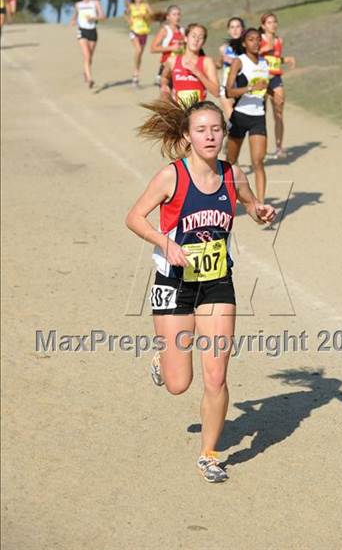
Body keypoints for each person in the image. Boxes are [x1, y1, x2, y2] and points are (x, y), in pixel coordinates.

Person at [125, 97, 276, 482]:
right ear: (188, 137)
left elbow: (250, 205)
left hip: (216, 284)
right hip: (173, 282)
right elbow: (134, 217)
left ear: (224, 134)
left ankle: (209, 454)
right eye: (201, 130)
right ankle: (163, 357)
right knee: (179, 384)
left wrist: (259, 211)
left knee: (216, 376)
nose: (209, 136)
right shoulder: (171, 177)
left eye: (215, 129)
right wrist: (165, 243)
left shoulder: (232, 175)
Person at [226, 28, 270, 203]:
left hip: (258, 116)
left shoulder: (264, 63)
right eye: (251, 40)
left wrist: (274, 94)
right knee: (230, 161)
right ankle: (227, 200)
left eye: (258, 39)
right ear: (244, 43)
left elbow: (265, 89)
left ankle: (260, 204)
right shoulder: (239, 61)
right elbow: (229, 91)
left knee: (258, 161)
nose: (256, 42)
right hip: (239, 115)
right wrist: (251, 88)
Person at [259, 12, 296, 159]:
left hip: (275, 79)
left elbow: (274, 59)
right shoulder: (258, 39)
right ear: (263, 25)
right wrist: (263, 49)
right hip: (260, 80)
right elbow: (254, 55)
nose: (272, 25)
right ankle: (260, 149)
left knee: (279, 114)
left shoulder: (279, 40)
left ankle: (279, 148)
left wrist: (285, 59)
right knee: (260, 116)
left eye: (274, 22)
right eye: (269, 22)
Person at [160, 23, 219, 106]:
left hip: (197, 111)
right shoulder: (172, 61)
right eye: (193, 36)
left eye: (200, 37)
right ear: (186, 38)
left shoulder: (207, 62)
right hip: (177, 111)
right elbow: (164, 77)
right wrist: (164, 87)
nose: (196, 40)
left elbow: (216, 92)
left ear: (203, 42)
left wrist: (198, 73)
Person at [70, 0, 105, 89]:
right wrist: (73, 20)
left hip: (93, 31)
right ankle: (90, 79)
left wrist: (94, 18)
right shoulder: (78, 4)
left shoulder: (95, 3)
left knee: (90, 56)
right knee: (87, 55)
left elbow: (103, 16)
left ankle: (86, 72)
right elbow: (75, 15)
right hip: (82, 31)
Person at [216, 16, 245, 120]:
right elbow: (219, 65)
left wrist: (233, 62)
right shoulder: (224, 48)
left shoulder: (248, 48)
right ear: (228, 30)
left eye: (238, 26)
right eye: (232, 27)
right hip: (226, 88)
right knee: (233, 122)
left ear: (243, 29)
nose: (235, 30)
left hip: (244, 88)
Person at [150, 5, 185, 86]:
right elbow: (153, 48)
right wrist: (171, 48)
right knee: (166, 97)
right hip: (166, 69)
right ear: (168, 17)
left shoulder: (182, 30)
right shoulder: (165, 30)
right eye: (174, 14)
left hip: (179, 68)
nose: (177, 17)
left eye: (178, 14)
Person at [125, 0, 152, 86]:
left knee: (140, 55)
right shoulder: (131, 6)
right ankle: (135, 73)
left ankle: (136, 74)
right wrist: (129, 21)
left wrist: (146, 16)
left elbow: (152, 16)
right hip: (134, 31)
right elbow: (126, 14)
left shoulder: (146, 6)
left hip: (144, 32)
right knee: (138, 50)